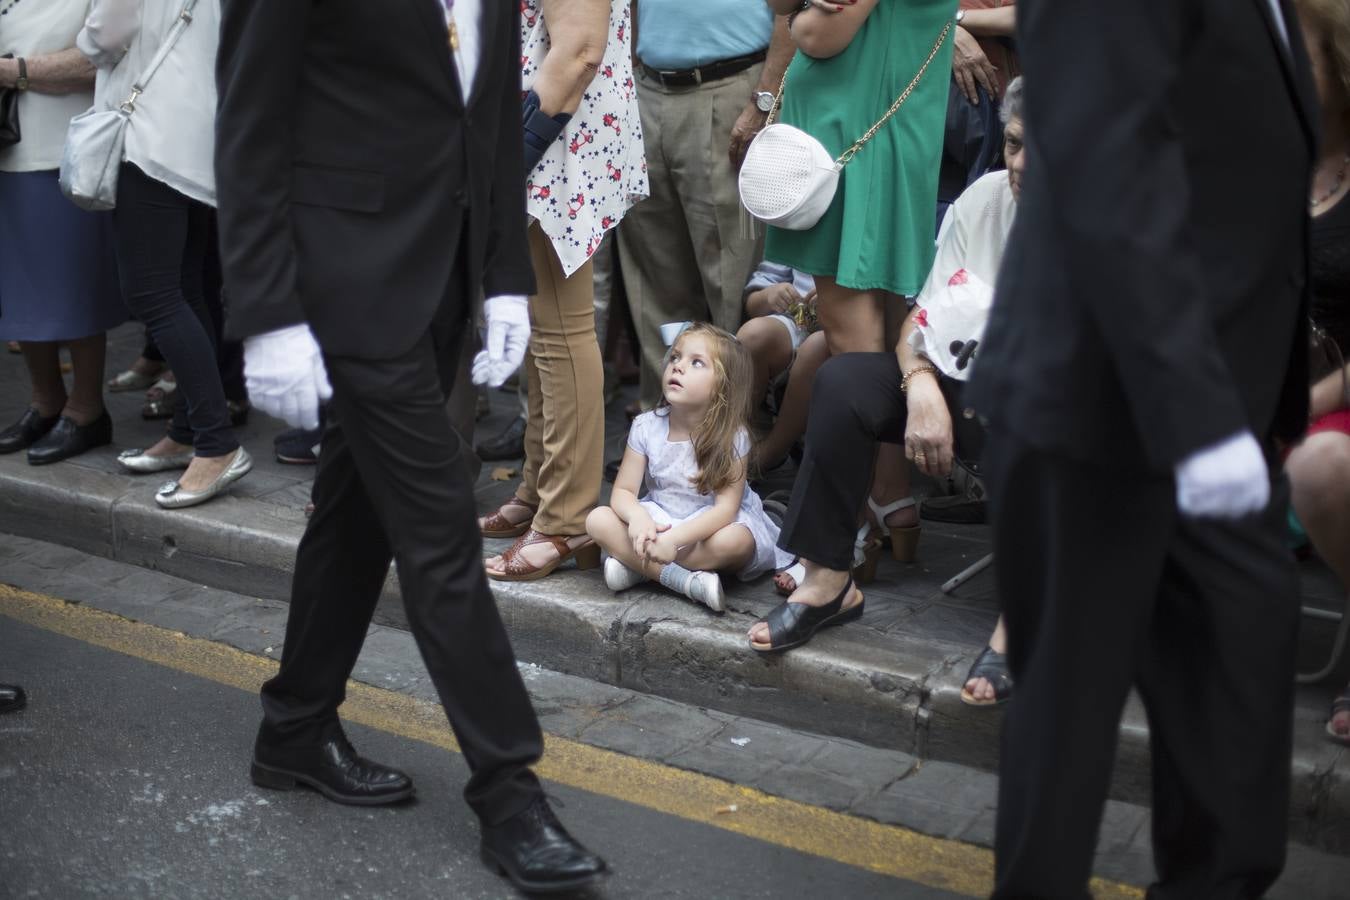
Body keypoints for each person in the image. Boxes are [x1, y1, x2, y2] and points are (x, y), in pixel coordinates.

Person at [214, 1, 605, 892]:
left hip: (441, 272)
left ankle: (295, 727)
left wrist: (505, 274)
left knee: (357, 510)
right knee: (439, 524)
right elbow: (247, 119)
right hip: (340, 273)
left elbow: (491, 114)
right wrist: (268, 311)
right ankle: (509, 794)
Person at [966, 1, 1318, 895]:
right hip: (1091, 406)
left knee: (1238, 712)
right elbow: (1107, 158)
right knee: (1066, 738)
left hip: (1217, 409)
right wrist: (1200, 425)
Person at [756, 79, 1027, 707]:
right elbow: (922, 324)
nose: (1021, 165)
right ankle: (828, 579)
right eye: (1013, 144)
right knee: (845, 380)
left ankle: (1021, 623)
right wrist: (921, 384)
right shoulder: (984, 200)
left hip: (1054, 415)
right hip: (965, 385)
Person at [763, 0, 957, 564]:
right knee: (881, 330)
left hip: (852, 138)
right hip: (883, 132)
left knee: (852, 345)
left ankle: (848, 525)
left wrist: (800, 16)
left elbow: (815, 32)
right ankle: (889, 499)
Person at [479, 0, 648, 581]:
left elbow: (578, 50)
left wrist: (508, 159)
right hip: (550, 130)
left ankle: (566, 518)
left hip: (556, 138)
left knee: (559, 330)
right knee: (540, 329)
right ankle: (538, 492)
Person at [78, 0, 252, 509]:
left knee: (153, 293)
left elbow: (104, 34)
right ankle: (189, 431)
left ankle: (217, 445)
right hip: (194, 136)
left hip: (149, 140)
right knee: (186, 285)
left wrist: (87, 38)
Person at [616, 2, 795, 411]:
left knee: (732, 276)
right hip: (647, 87)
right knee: (654, 277)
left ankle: (733, 431)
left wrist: (763, 99)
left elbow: (790, 13)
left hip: (731, 89)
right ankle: (666, 424)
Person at [586, 323, 792, 610]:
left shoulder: (732, 437)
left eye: (696, 363)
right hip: (659, 519)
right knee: (597, 519)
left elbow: (725, 510)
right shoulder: (647, 426)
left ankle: (638, 568)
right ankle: (684, 581)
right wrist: (637, 518)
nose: (678, 367)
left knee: (737, 541)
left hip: (707, 529)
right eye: (675, 357)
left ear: (723, 385)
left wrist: (675, 540)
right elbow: (622, 490)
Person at [0, 0, 124, 466]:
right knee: (21, 290)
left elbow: (99, 60)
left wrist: (15, 72)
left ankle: (87, 409)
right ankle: (45, 401)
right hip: (7, 151)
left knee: (73, 287)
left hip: (66, 152)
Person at [1285, 0, 1350, 745]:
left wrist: (1300, 402)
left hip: (1330, 401)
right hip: (1273, 385)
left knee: (1322, 460)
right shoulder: (1258, 162)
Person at [735, 262, 830, 472]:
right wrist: (769, 295)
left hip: (849, 329)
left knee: (814, 349)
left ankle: (772, 451)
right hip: (796, 318)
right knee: (752, 336)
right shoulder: (798, 227)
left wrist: (839, 303)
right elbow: (754, 299)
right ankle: (739, 438)